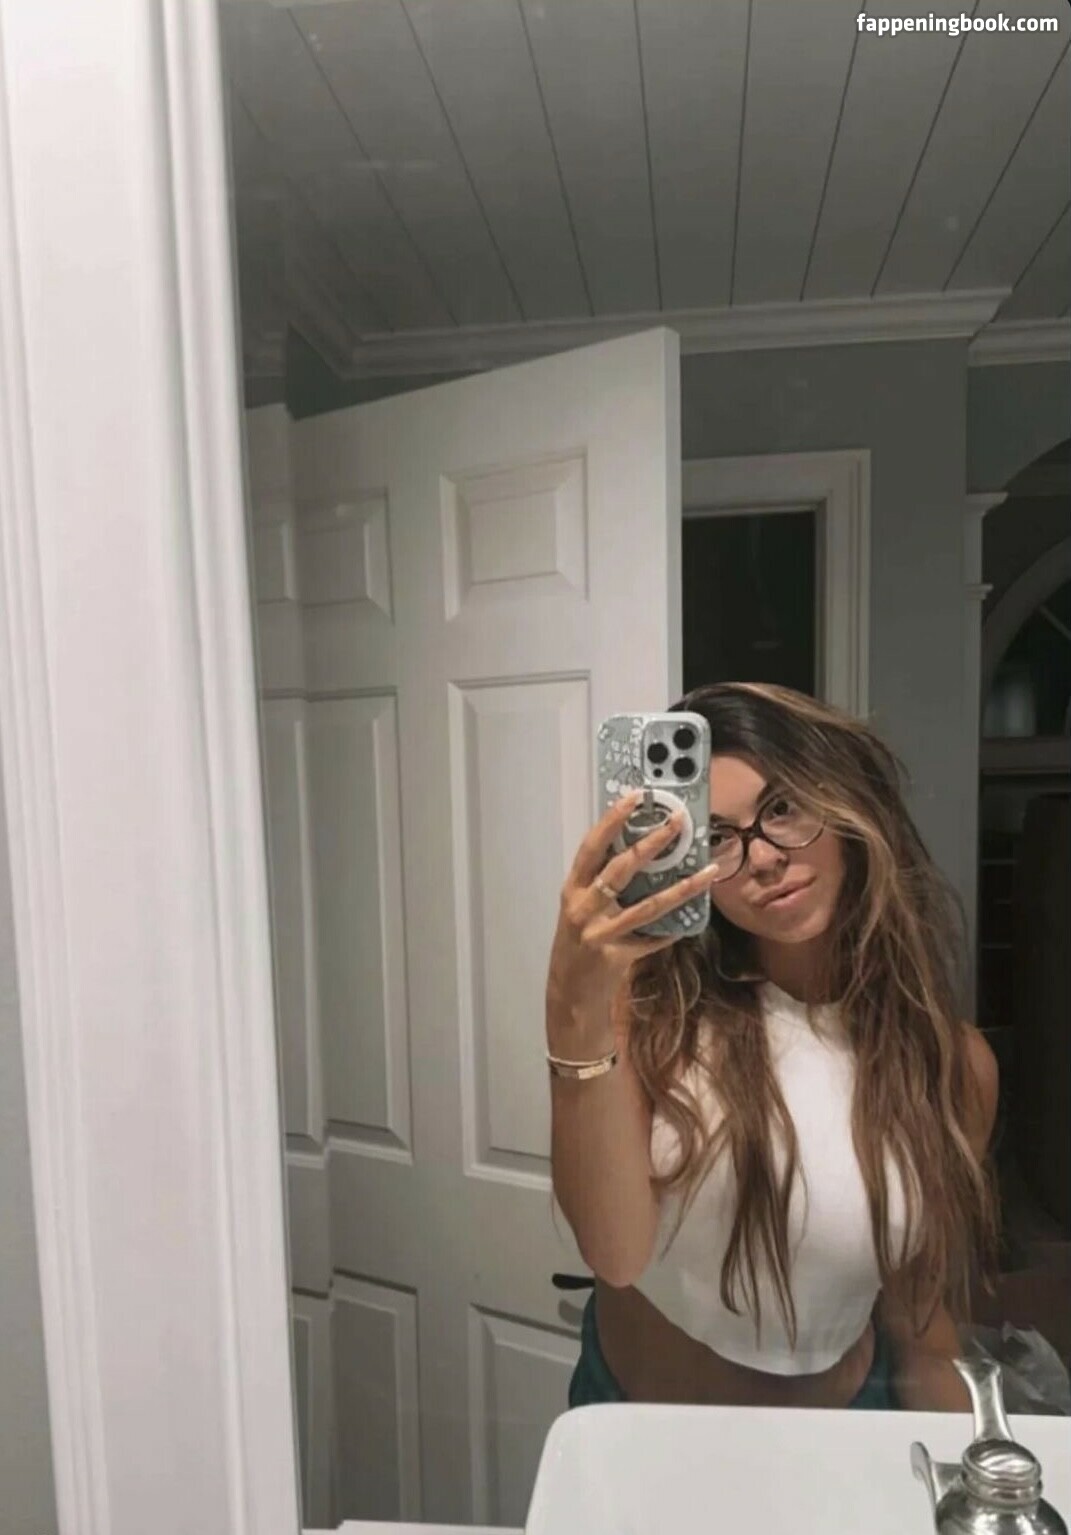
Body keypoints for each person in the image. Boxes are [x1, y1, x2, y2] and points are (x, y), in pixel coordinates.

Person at [545, 682, 999, 1412]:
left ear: (848, 807)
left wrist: (966, 1454)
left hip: (850, 1425)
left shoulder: (950, 1065)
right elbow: (614, 1253)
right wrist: (572, 1005)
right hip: (643, 1430)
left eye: (783, 808)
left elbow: (917, 1316)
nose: (760, 858)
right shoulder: (653, 1019)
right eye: (716, 838)